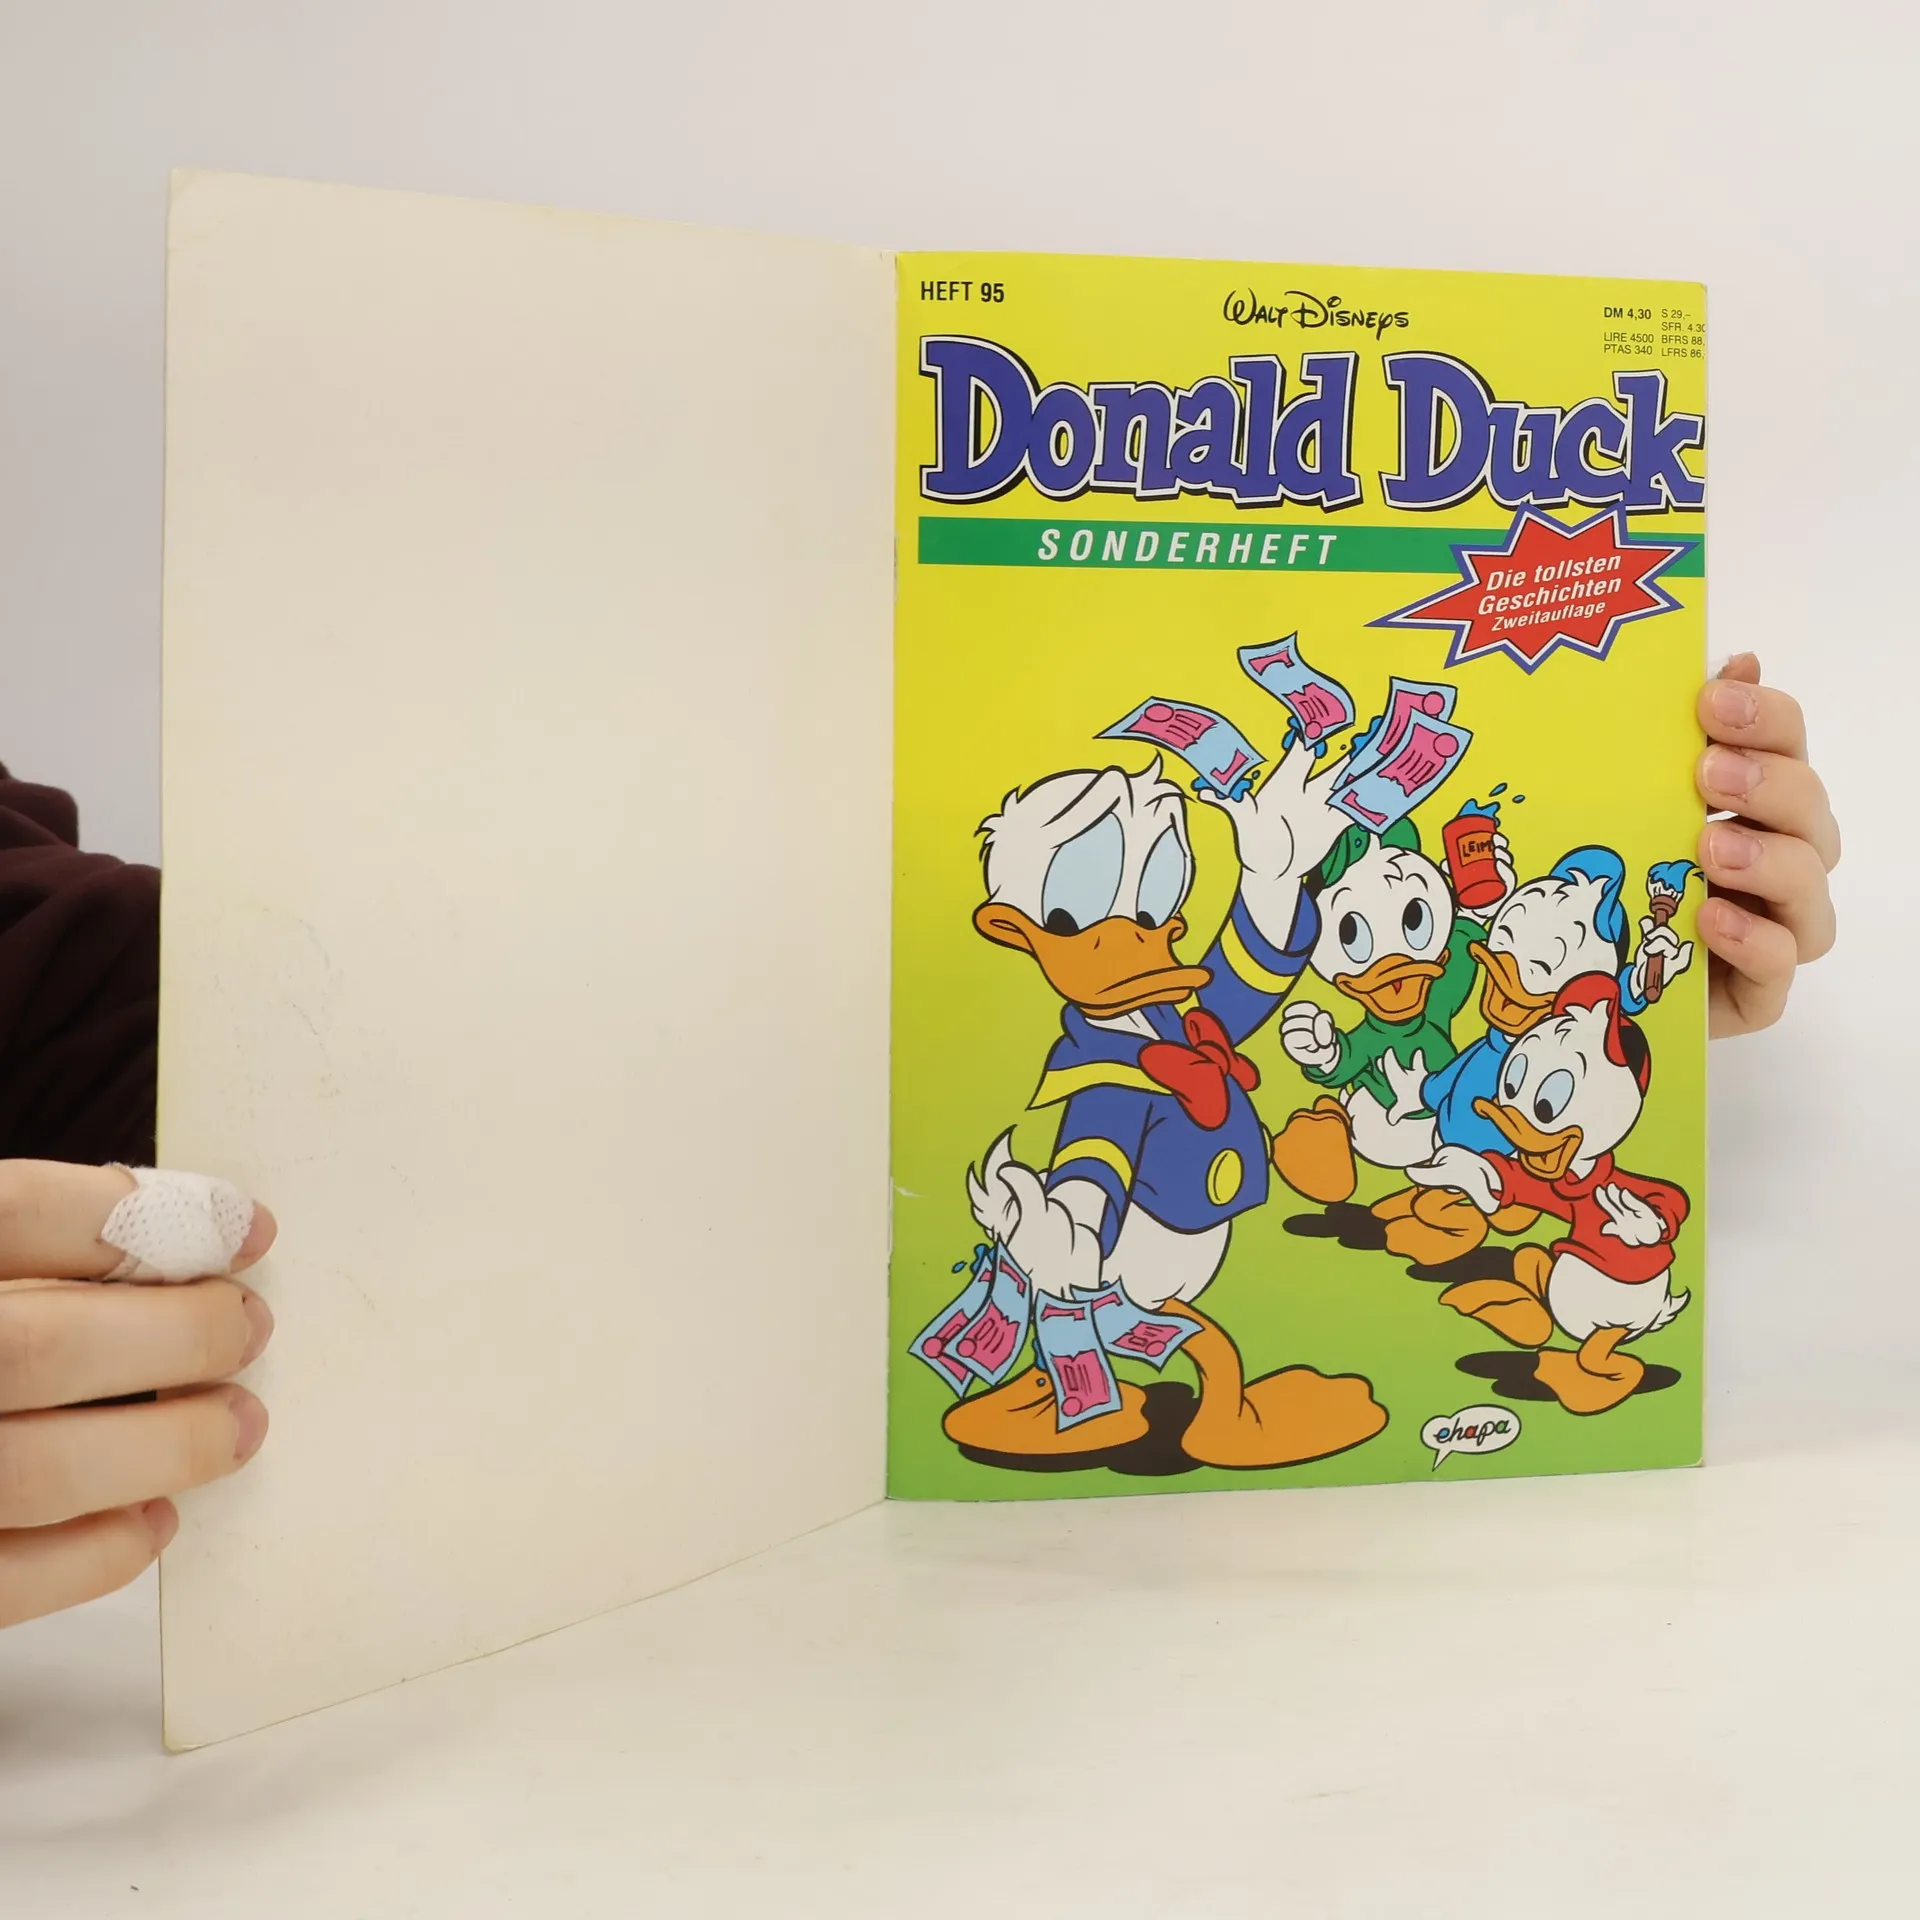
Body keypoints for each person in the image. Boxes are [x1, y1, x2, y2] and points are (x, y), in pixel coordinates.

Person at [0, 652, 1839, 1629]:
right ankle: (1111, 1367)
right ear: (1031, 933)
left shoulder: (1182, 988)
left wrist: (1573, 1006)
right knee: (1087, 1306)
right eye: (1118, 907)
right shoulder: (1095, 1060)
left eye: (1166, 894)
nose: (1161, 922)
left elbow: (101, 986)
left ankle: (1165, 1368)